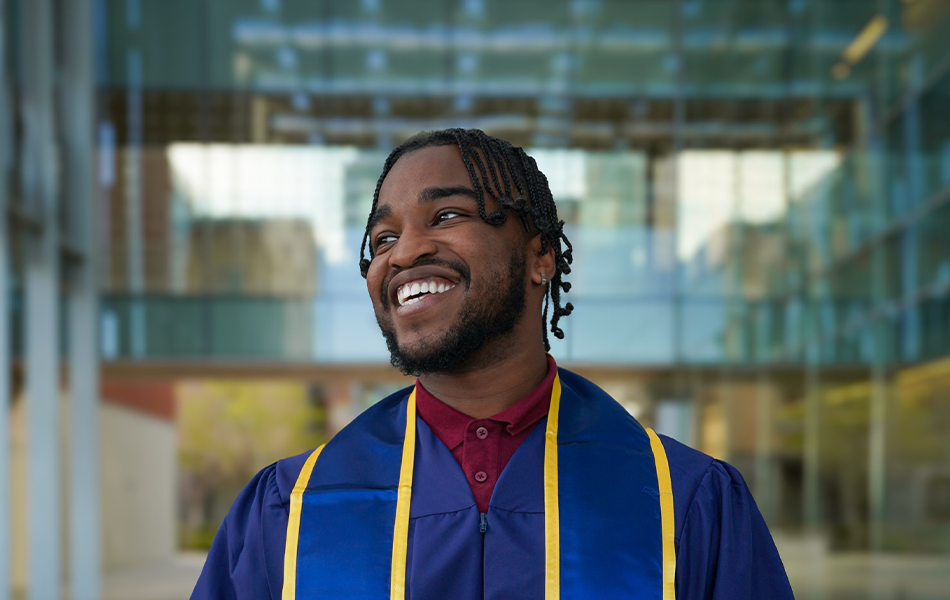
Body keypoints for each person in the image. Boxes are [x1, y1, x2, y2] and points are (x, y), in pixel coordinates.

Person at [191, 129, 794, 600]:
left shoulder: (684, 501)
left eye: (447, 216)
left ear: (541, 256)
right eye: (381, 240)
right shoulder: (290, 509)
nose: (403, 252)